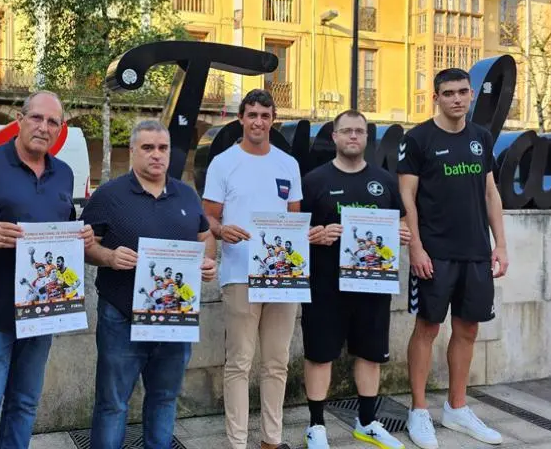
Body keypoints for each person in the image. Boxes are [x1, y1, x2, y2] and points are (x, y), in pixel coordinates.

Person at [0, 91, 94, 449]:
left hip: (42, 314)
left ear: (60, 129)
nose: (43, 128)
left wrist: (82, 236)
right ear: (19, 118)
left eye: (53, 122)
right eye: (37, 118)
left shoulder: (65, 174)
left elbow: (65, 232)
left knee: (25, 405)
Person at [202, 89, 328, 449]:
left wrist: (311, 235)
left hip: (282, 277)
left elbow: (294, 221)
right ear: (241, 118)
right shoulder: (224, 163)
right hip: (240, 274)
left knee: (276, 362)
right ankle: (237, 442)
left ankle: (271, 441)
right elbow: (208, 217)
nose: (258, 121)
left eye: (265, 115)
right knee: (239, 363)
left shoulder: (287, 164)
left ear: (274, 120)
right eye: (252, 114)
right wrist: (221, 230)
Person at [80, 119, 217, 449]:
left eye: (163, 148)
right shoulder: (108, 195)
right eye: (148, 148)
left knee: (165, 400)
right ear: (132, 152)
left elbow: (205, 235)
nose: (156, 155)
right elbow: (84, 245)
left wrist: (208, 261)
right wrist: (109, 257)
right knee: (113, 404)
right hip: (121, 317)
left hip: (173, 321)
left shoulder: (186, 194)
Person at [399, 68, 509, 448]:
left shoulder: (481, 137)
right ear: (437, 97)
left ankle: (457, 408)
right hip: (435, 254)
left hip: (476, 253)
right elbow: (406, 198)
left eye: (463, 92)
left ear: (472, 94)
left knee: (468, 330)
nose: (457, 99)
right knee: (427, 329)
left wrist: (501, 245)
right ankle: (418, 411)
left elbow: (490, 194)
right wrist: (415, 247)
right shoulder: (417, 139)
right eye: (449, 93)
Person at [298, 109, 412, 449]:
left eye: (359, 132)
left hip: (372, 285)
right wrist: (314, 234)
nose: (352, 137)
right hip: (325, 285)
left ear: (367, 138)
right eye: (345, 131)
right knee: (319, 354)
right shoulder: (314, 180)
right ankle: (316, 425)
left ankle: (367, 421)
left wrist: (402, 234)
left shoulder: (385, 182)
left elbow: (403, 224)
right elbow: (292, 232)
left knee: (371, 353)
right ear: (333, 137)